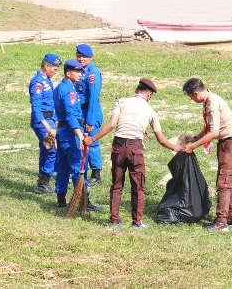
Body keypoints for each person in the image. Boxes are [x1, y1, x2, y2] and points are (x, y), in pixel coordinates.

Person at [84, 78, 180, 229]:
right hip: (135, 149)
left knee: (116, 185)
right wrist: (174, 147)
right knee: (138, 187)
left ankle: (114, 220)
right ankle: (137, 222)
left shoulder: (122, 102)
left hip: (118, 146)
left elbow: (111, 125)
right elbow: (161, 139)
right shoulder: (151, 111)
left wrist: (92, 139)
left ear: (136, 91)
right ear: (149, 95)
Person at [182, 78, 232, 232]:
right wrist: (195, 138)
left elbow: (214, 132)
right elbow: (209, 128)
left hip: (230, 143)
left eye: (191, 97)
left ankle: (221, 222)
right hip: (228, 143)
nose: (192, 100)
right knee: (229, 181)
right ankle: (231, 218)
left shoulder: (212, 104)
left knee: (223, 182)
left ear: (196, 93)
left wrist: (192, 146)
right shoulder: (210, 100)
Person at [54, 59, 102, 211]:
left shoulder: (58, 87)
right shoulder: (70, 91)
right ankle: (83, 200)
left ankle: (60, 198)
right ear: (68, 73)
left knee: (62, 167)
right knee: (77, 168)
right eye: (77, 72)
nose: (81, 74)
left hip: (61, 133)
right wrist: (81, 136)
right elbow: (71, 116)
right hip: (71, 134)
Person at [29, 53, 62, 194]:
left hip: (50, 119)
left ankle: (42, 182)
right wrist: (48, 128)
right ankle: (44, 182)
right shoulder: (37, 83)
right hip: (42, 122)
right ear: (47, 66)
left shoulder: (47, 80)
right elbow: (36, 109)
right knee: (52, 150)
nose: (56, 72)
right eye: (54, 69)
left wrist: (55, 121)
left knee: (46, 149)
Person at [75, 43, 104, 187]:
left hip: (90, 112)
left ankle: (96, 174)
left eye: (84, 57)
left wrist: (90, 121)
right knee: (80, 143)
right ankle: (81, 170)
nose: (81, 59)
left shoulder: (93, 74)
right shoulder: (78, 71)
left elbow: (93, 99)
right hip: (80, 111)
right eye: (78, 56)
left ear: (90, 57)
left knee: (92, 143)